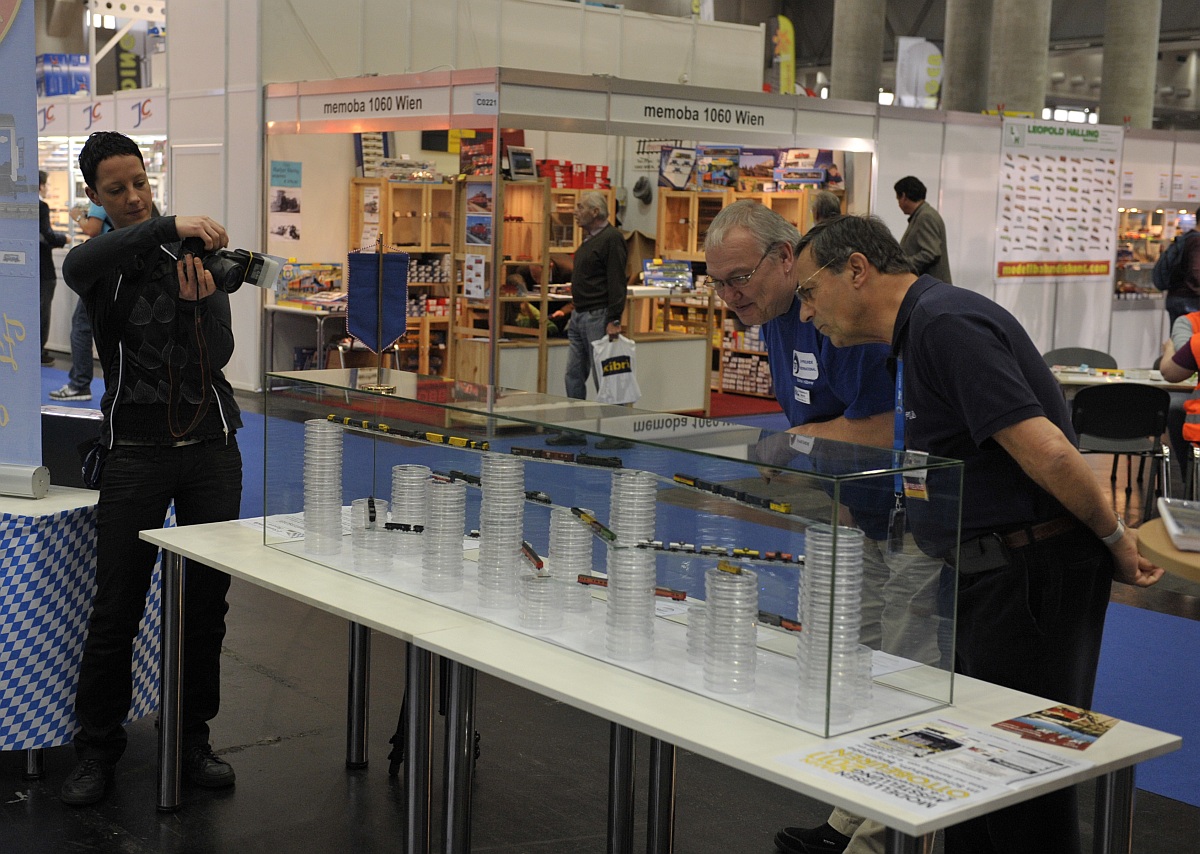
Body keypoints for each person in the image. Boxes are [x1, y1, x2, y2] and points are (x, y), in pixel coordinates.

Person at [790, 214, 1163, 854]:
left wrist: (1114, 540)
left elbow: (1048, 450)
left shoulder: (945, 324)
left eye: (808, 291)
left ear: (856, 269)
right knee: (973, 775)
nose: (805, 312)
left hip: (1031, 574)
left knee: (1022, 779)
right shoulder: (921, 329)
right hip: (989, 572)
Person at [706, 200, 946, 854]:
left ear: (786, 258)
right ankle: (852, 818)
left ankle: (884, 837)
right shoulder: (774, 317)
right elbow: (825, 421)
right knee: (858, 664)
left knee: (905, 670)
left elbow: (887, 428)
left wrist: (799, 442)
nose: (730, 296)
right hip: (861, 514)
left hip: (916, 515)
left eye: (740, 278)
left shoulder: (848, 319)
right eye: (718, 283)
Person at [59, 131, 244, 806]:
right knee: (117, 607)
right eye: (117, 189)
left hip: (211, 450)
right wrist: (166, 225)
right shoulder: (97, 263)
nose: (135, 197)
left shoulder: (192, 253)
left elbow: (219, 354)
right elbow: (82, 261)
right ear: (95, 196)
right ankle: (96, 747)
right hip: (134, 453)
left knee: (205, 606)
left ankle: (191, 736)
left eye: (140, 182)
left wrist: (198, 310)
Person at [547, 191, 627, 445]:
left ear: (595, 212)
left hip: (598, 316)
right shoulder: (590, 239)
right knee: (573, 375)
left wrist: (614, 318)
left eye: (580, 207)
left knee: (604, 377)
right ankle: (574, 431)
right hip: (580, 315)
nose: (575, 212)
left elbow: (617, 280)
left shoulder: (611, 239)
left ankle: (616, 433)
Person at [50, 201, 110, 402]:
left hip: (102, 266)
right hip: (116, 264)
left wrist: (76, 215)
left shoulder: (102, 197)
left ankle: (79, 384)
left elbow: (92, 229)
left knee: (81, 327)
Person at [893, 176, 951, 284]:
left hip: (932, 288)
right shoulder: (921, 215)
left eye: (898, 199)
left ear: (904, 196)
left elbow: (931, 252)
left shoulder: (925, 216)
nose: (898, 204)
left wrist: (902, 265)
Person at [39, 169, 68, 366]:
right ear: (40, 185)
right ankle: (39, 350)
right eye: (46, 184)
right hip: (43, 268)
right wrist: (64, 239)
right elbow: (47, 235)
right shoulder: (41, 207)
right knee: (43, 311)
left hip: (34, 267)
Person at [1160, 208, 1200, 326]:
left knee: (1178, 334)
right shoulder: (1197, 241)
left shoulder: (1186, 237)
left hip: (1176, 296)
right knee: (1188, 336)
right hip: (1189, 300)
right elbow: (1196, 272)